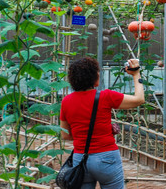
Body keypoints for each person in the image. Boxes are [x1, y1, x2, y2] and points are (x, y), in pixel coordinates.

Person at [60, 57, 145, 189]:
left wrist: (87, 134)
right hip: (106, 157)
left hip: (80, 159)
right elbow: (139, 99)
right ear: (94, 77)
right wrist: (136, 73)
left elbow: (65, 135)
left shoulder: (66, 101)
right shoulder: (106, 96)